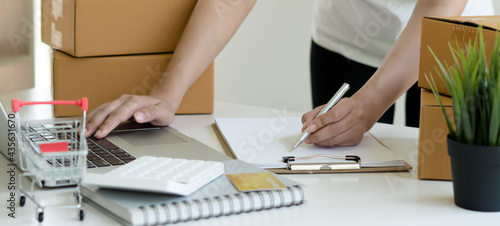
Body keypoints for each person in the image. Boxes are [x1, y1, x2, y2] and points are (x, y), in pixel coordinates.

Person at [86, 0, 494, 148]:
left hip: (454, 33)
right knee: (347, 167)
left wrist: (370, 105)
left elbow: (441, 4)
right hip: (346, 34)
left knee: (440, 176)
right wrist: (167, 92)